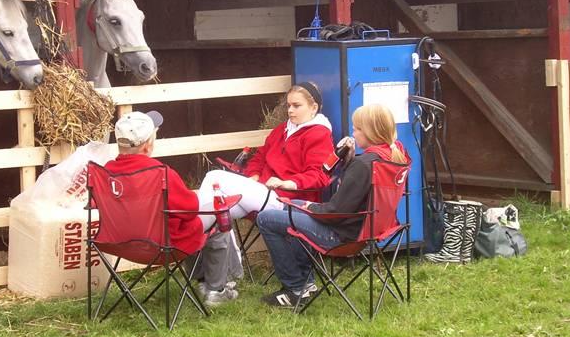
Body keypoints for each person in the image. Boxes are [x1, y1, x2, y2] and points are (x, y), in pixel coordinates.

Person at [256, 104, 411, 308]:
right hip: (371, 230)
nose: (353, 133)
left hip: (341, 236)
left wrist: (311, 207)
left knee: (266, 218)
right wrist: (348, 163)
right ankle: (306, 283)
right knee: (290, 205)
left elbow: (335, 212)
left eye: (357, 128)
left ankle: (294, 288)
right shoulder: (394, 155)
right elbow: (359, 195)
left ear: (370, 132)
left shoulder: (363, 164)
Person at [105, 110, 238, 306]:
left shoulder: (105, 172)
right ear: (148, 144)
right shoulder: (160, 173)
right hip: (162, 245)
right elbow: (190, 209)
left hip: (118, 242)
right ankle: (215, 290)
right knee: (218, 215)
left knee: (190, 220)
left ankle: (203, 280)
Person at [197, 82, 334, 220]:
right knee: (216, 210)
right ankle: (205, 238)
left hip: (287, 200)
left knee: (213, 177)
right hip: (262, 191)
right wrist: (254, 174)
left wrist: (288, 183)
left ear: (314, 108)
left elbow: (320, 175)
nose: (290, 110)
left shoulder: (319, 134)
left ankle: (191, 233)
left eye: (296, 106)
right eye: (288, 105)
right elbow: (259, 157)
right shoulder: (282, 129)